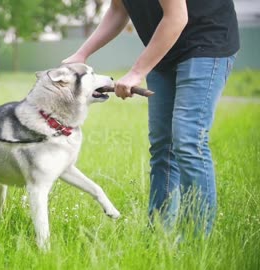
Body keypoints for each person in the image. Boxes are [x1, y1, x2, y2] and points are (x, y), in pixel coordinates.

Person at [63, 0, 239, 235]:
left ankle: (195, 242)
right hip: (164, 48)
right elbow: (118, 9)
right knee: (163, 148)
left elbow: (177, 16)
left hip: (205, 41)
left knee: (187, 141)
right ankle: (158, 235)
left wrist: (137, 72)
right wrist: (82, 53)